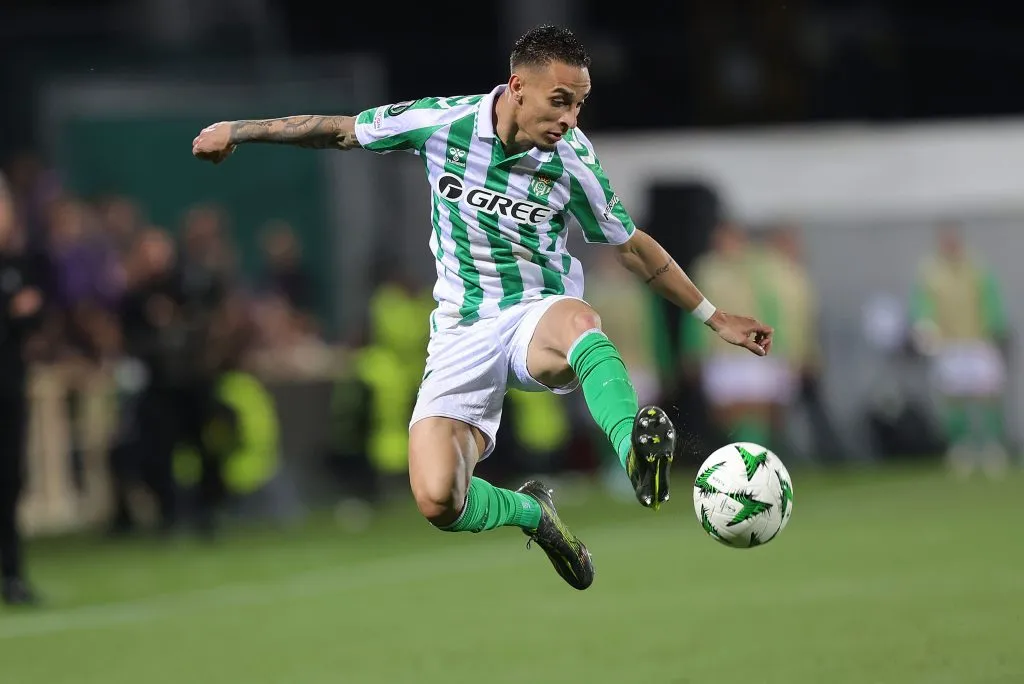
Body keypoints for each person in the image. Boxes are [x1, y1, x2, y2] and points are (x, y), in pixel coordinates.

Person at [192, 25, 773, 590]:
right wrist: (237, 130)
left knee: (580, 323)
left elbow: (632, 247)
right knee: (438, 498)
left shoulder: (572, 159)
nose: (570, 118)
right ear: (517, 87)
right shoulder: (442, 122)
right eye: (560, 101)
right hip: (459, 329)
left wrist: (714, 316)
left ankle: (634, 455)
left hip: (536, 313)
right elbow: (339, 131)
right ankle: (534, 515)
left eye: (580, 105)